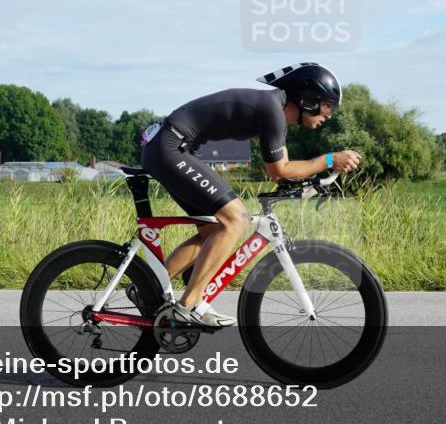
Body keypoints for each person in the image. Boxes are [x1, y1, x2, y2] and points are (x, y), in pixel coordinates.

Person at [139, 63, 361, 327]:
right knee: (236, 219)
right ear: (307, 99)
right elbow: (279, 171)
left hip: (167, 147)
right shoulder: (271, 109)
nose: (329, 115)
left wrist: (313, 179)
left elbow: (287, 170)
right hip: (170, 146)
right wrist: (328, 159)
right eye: (327, 106)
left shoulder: (273, 111)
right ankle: (188, 306)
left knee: (212, 232)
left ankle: (147, 289)